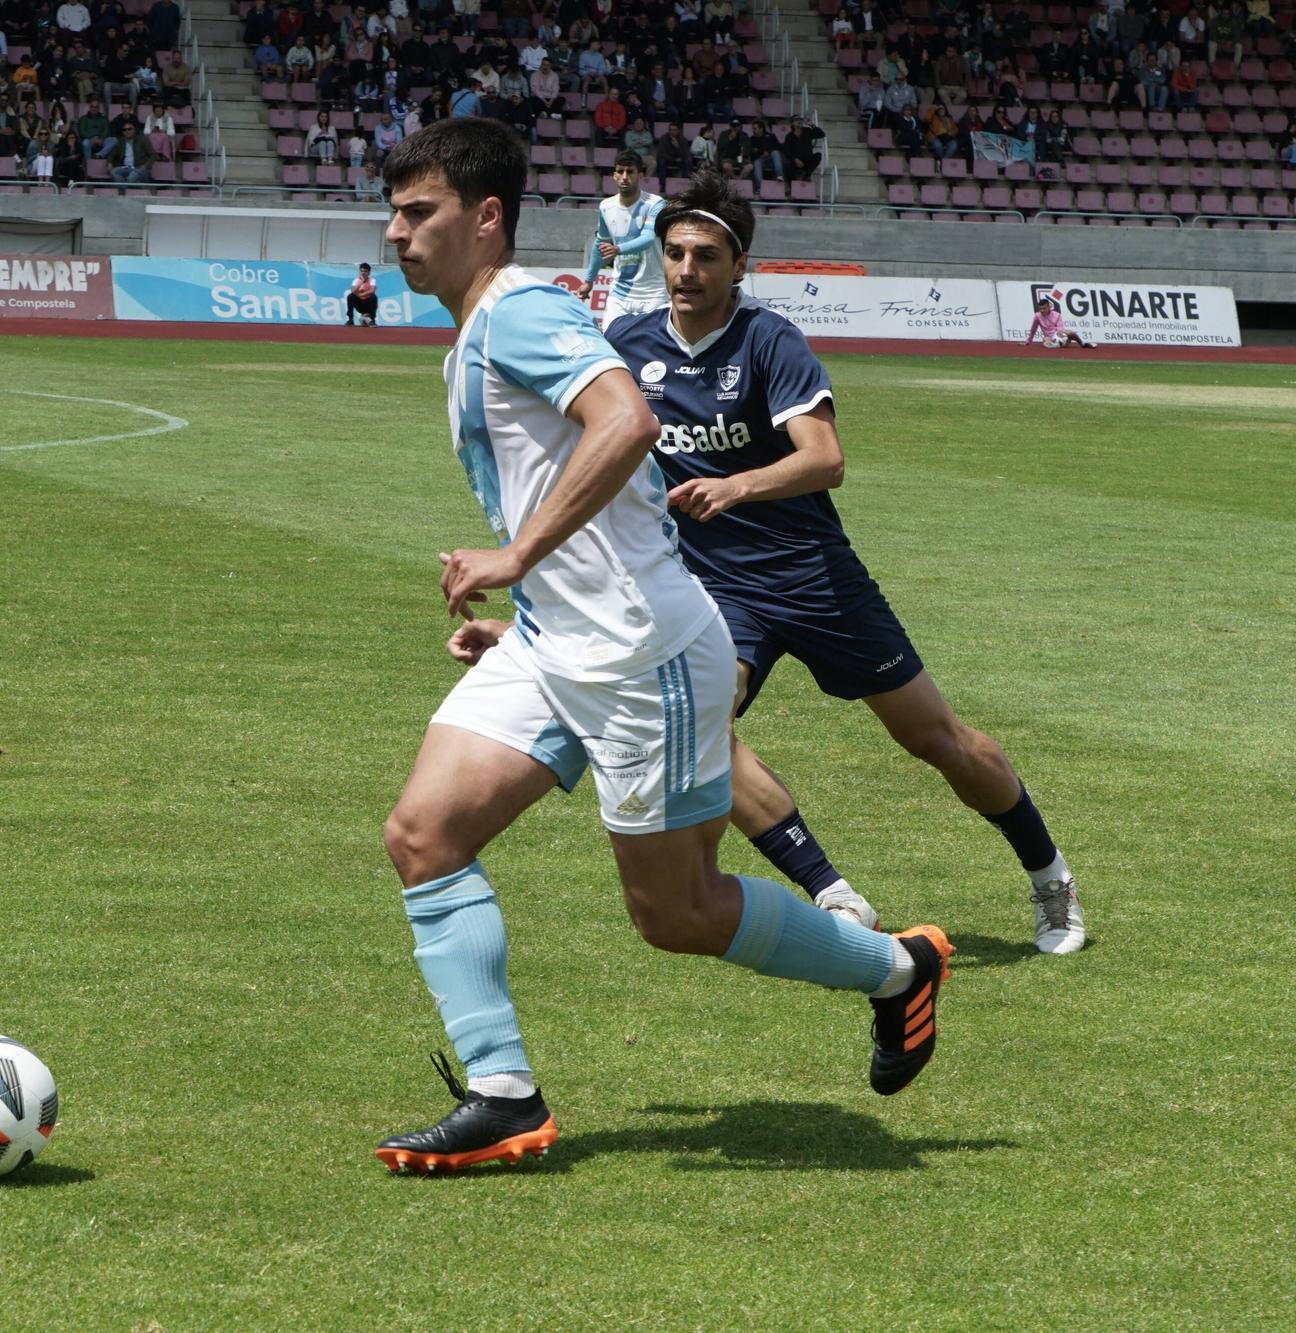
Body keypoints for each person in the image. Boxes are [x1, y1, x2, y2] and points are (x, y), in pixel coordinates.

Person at [370, 121, 957, 1174]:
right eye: (395, 212)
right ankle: (503, 1094)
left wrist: (515, 553)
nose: (394, 233)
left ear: (485, 216)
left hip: (641, 656)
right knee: (422, 834)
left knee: (675, 914)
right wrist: (527, 602)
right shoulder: (478, 334)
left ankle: (894, 969)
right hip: (555, 643)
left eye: (418, 213)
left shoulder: (522, 315)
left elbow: (625, 423)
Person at [605, 170, 1084, 957]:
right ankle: (835, 895)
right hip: (718, 590)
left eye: (706, 256)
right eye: (675, 253)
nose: (687, 270)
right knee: (697, 727)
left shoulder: (769, 340)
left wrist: (737, 486)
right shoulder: (631, 345)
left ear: (740, 265)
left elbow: (825, 460)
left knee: (940, 741)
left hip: (814, 576)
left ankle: (1050, 877)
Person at [576, 151, 665, 333]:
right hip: (620, 293)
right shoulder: (606, 206)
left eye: (630, 172)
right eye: (620, 171)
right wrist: (589, 281)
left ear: (640, 175)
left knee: (652, 350)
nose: (624, 177)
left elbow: (648, 238)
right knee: (610, 341)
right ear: (614, 175)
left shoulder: (655, 204)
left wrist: (617, 249)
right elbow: (600, 243)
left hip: (654, 293)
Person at [1026, 296, 1091, 349]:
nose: (1042, 311)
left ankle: (1083, 344)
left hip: (1060, 336)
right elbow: (1033, 330)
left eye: (1044, 308)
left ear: (1049, 307)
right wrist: (1028, 341)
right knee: (1045, 339)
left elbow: (1060, 328)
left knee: (1070, 332)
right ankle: (1055, 345)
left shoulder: (1057, 315)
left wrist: (1058, 336)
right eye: (1040, 309)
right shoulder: (1037, 316)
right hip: (1050, 339)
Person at [344, 260, 377, 325]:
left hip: (368, 304)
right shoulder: (356, 280)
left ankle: (372, 320)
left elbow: (372, 290)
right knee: (350, 296)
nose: (363, 273)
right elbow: (353, 291)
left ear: (369, 273)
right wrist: (361, 282)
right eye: (361, 271)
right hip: (359, 305)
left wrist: (361, 294)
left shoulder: (372, 280)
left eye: (365, 271)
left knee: (373, 297)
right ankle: (350, 319)